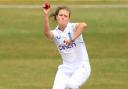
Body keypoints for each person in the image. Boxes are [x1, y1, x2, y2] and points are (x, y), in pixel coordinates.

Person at [42, 2, 91, 89]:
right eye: (61, 15)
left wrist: (71, 39)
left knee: (71, 85)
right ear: (56, 17)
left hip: (82, 66)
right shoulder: (56, 33)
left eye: (65, 16)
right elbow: (47, 33)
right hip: (66, 68)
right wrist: (46, 15)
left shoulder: (72, 27)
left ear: (68, 19)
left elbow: (83, 25)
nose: (63, 17)